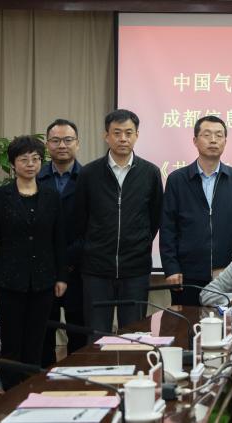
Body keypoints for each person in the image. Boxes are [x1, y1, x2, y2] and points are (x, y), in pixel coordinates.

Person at [0, 136, 67, 389]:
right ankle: (10, 393)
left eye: (36, 159)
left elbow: (59, 239)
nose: (30, 164)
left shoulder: (51, 196)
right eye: (24, 159)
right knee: (11, 343)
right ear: (13, 163)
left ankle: (31, 391)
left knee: (36, 342)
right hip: (9, 281)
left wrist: (62, 276)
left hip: (44, 280)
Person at [76, 109, 163, 332]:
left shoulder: (150, 173)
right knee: (97, 334)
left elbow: (154, 217)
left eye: (128, 133)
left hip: (135, 268)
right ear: (106, 136)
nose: (123, 138)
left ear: (137, 135)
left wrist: (140, 242)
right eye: (116, 133)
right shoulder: (89, 173)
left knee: (133, 334)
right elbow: (79, 219)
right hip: (96, 268)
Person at [161, 116, 232, 305]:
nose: (213, 140)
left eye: (219, 135)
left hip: (227, 275)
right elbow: (168, 228)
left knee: (228, 323)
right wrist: (171, 268)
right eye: (207, 135)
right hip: (187, 275)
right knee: (187, 322)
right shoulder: (177, 180)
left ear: (225, 141)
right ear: (195, 140)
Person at [38, 118, 86, 366]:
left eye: (68, 140)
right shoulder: (35, 177)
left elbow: (94, 226)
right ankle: (44, 379)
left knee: (79, 329)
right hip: (42, 268)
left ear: (77, 143)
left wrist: (66, 260)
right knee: (44, 330)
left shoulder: (89, 177)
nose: (62, 145)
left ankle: (78, 377)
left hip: (79, 267)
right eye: (55, 140)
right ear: (47, 145)